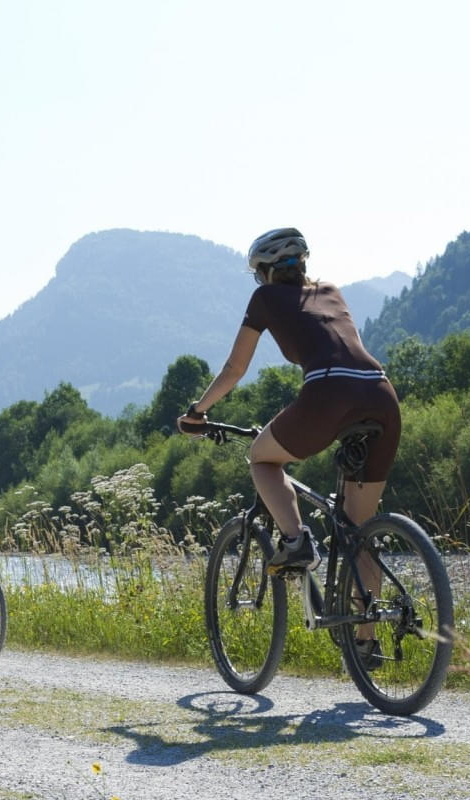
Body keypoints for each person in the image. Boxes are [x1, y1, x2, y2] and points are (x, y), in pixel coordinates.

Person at [178, 228, 400, 662]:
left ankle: (296, 540)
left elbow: (234, 368)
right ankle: (365, 642)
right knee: (359, 530)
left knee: (262, 458)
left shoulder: (264, 299)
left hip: (328, 394)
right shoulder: (332, 292)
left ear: (264, 272)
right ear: (302, 263)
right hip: (381, 394)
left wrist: (198, 411)